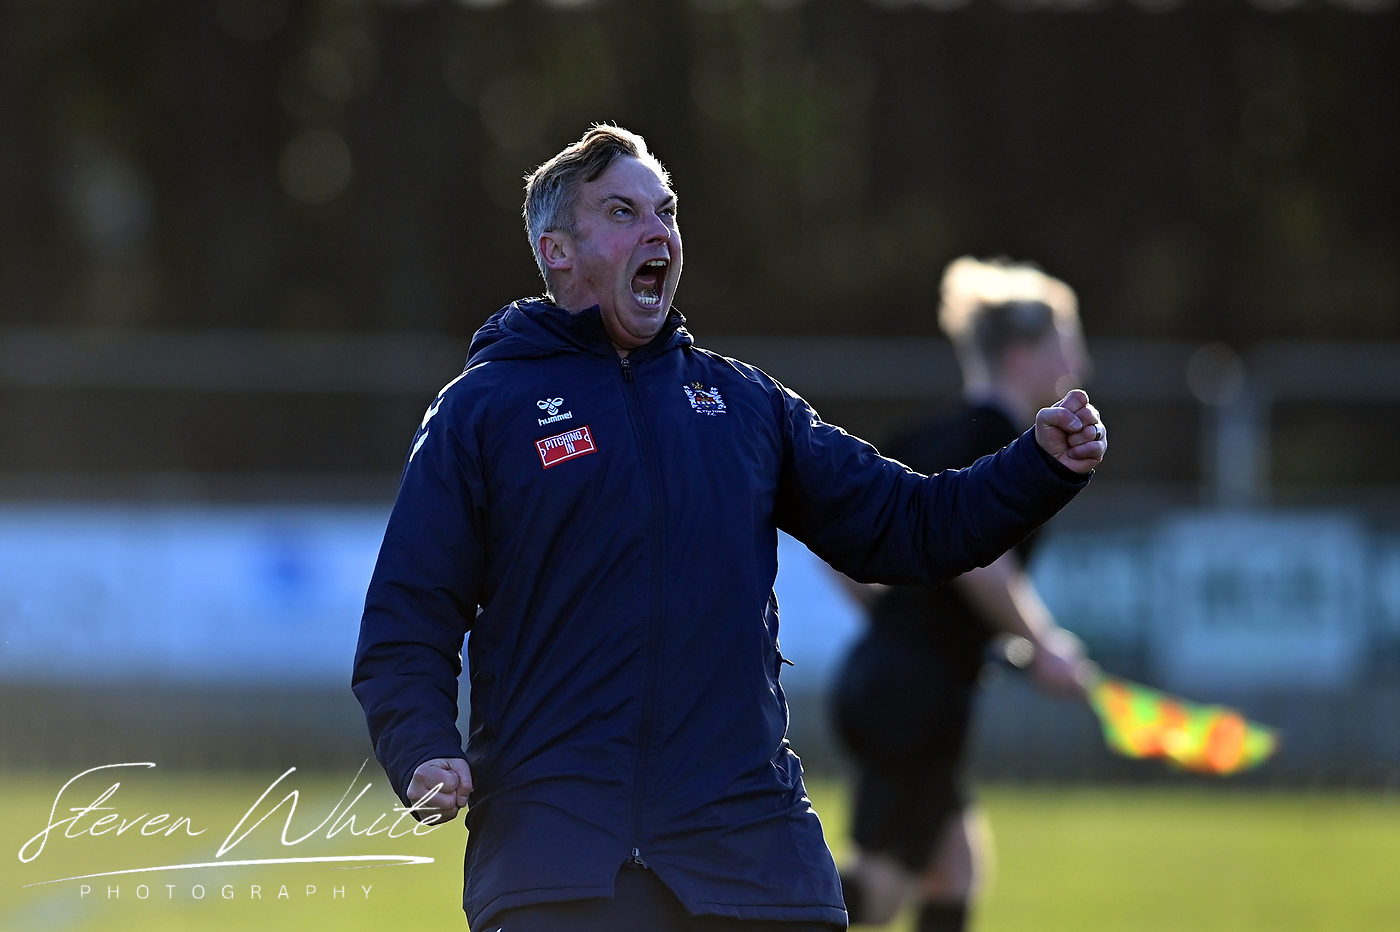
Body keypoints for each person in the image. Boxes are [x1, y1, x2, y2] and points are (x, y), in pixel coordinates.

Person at [351, 127, 1107, 932]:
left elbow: (910, 524)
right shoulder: (481, 410)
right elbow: (409, 615)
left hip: (757, 859)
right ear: (557, 251)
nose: (659, 231)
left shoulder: (745, 405)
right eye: (623, 211)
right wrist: (421, 744)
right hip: (559, 861)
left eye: (667, 211)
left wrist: (1038, 465)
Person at [831, 257, 1099, 932]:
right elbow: (979, 566)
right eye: (1066, 345)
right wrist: (1044, 646)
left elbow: (839, 547)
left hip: (883, 676)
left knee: (955, 869)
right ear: (1020, 355)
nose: (1079, 365)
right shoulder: (1006, 447)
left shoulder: (922, 436)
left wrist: (901, 618)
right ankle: (726, 911)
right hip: (918, 695)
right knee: (878, 894)